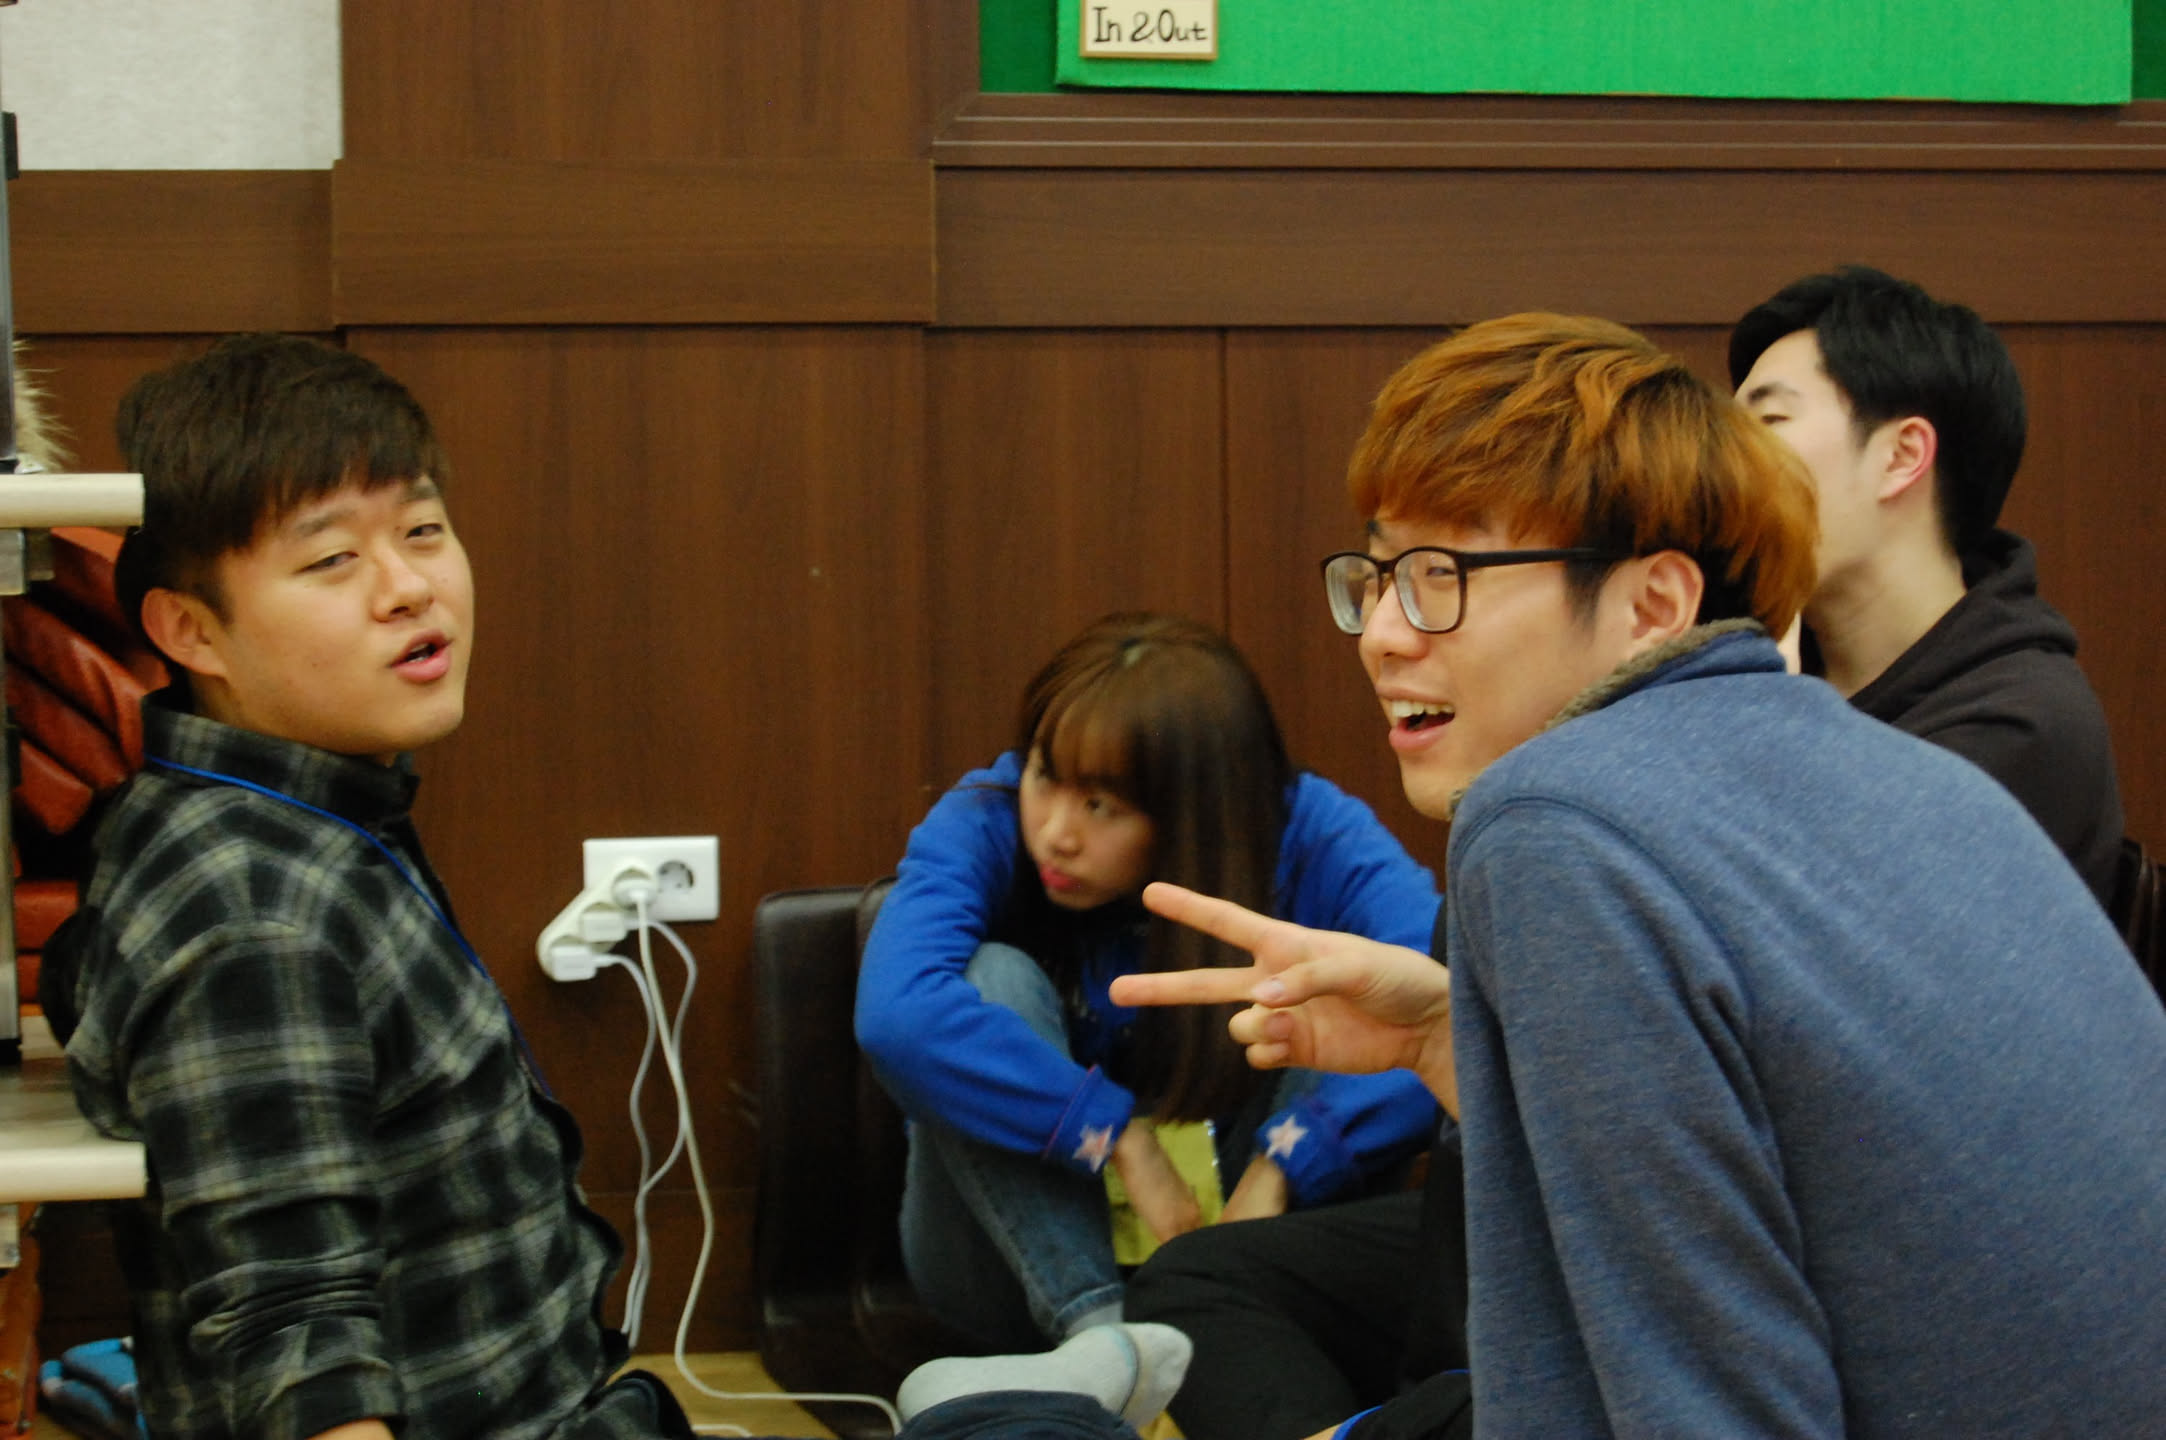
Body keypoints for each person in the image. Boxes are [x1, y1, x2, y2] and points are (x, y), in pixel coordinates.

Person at [1118, 314, 2166, 1438]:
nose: (1381, 633)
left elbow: (1706, 1407)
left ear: (1654, 607)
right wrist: (1444, 1042)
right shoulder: (1898, 768)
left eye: (1440, 576)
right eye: (1377, 575)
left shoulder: (1553, 816)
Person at [49, 334, 700, 1440]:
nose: (409, 588)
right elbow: (296, 1339)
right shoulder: (251, 912)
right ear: (191, 630)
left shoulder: (297, 812)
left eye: (422, 531)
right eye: (332, 560)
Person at [855, 613, 1443, 1379]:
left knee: (1338, 984)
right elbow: (897, 1017)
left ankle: (1199, 1334)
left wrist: (1287, 1166)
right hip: (1005, 1272)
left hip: (1248, 1252)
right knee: (990, 979)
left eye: (1101, 806)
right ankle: (1107, 1353)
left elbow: (1454, 1002)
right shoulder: (984, 817)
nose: (1056, 833)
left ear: (1193, 812)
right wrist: (1110, 1133)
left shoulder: (1303, 827)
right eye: (1044, 777)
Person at [1731, 265, 2123, 905]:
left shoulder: (2023, 724)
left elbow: (1781, 923)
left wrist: (1761, 710)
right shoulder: (1772, 658)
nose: (1722, 464)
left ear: (1901, 456)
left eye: (1767, 422)